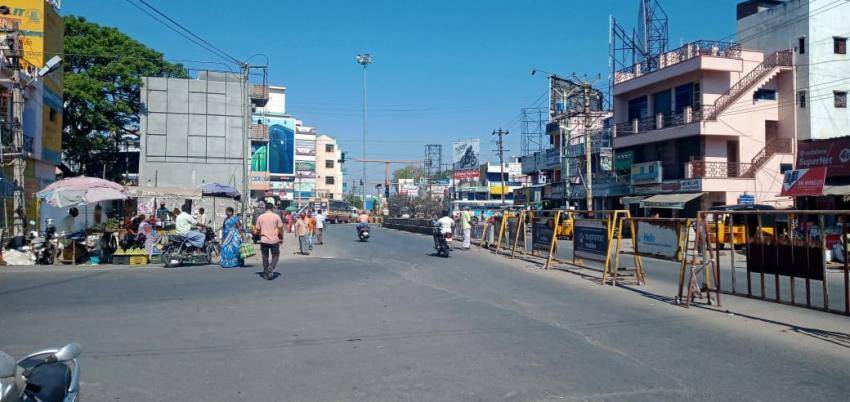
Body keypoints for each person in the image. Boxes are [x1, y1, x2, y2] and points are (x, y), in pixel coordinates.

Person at [254, 202, 284, 280]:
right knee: (275, 255)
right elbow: (281, 228)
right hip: (274, 240)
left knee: (265, 257)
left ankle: (266, 273)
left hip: (264, 240)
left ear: (265, 208)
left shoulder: (260, 217)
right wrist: (281, 238)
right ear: (272, 209)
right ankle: (271, 266)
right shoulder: (276, 216)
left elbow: (257, 229)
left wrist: (256, 234)